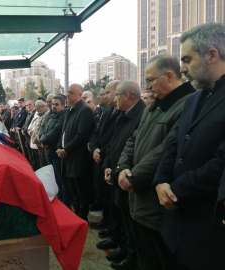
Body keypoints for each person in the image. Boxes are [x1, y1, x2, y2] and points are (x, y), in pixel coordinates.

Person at [153, 23, 225, 270]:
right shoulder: (194, 99)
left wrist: (174, 188)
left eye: (187, 59)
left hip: (209, 229)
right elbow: (173, 143)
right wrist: (160, 181)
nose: (182, 69)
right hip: (175, 225)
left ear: (212, 55)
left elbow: (221, 163)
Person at [116, 54, 194, 270]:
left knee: (159, 261)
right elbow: (134, 139)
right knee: (144, 258)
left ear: (169, 75)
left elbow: (166, 150)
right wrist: (122, 168)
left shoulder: (187, 105)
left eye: (150, 80)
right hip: (138, 199)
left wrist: (133, 177)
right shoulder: (153, 107)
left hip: (155, 203)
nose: (147, 86)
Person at [103, 81, 146, 270]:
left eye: (117, 94)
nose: (114, 98)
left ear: (127, 95)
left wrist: (120, 170)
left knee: (130, 221)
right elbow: (114, 142)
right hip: (116, 172)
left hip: (128, 176)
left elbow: (136, 149)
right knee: (121, 215)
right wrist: (107, 166)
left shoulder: (142, 115)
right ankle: (124, 247)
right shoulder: (123, 114)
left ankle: (132, 256)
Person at [57, 83, 96, 221]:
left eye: (71, 92)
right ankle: (77, 214)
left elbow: (81, 135)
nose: (67, 94)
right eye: (67, 92)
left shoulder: (84, 110)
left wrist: (66, 150)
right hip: (68, 157)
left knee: (81, 191)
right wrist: (60, 147)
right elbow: (64, 132)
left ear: (80, 95)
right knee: (74, 191)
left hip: (78, 158)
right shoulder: (70, 110)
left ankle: (82, 217)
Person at [89, 81, 122, 234]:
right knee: (102, 191)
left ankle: (112, 226)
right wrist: (94, 148)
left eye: (108, 92)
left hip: (108, 159)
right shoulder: (107, 111)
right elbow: (97, 132)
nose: (106, 96)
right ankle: (106, 219)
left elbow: (115, 139)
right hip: (100, 157)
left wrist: (100, 152)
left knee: (111, 197)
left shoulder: (120, 111)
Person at [40, 95, 70, 207]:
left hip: (57, 153)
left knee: (62, 179)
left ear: (63, 105)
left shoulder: (63, 116)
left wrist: (43, 140)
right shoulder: (51, 116)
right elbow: (44, 129)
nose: (53, 106)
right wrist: (43, 139)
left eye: (56, 104)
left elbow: (56, 131)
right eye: (53, 104)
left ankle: (65, 202)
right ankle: (59, 198)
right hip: (49, 152)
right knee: (55, 179)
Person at [21, 100, 38, 170]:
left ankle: (34, 167)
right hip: (27, 136)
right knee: (29, 153)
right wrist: (22, 129)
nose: (28, 106)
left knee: (33, 154)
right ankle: (31, 165)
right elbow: (25, 124)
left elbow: (29, 125)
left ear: (33, 105)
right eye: (27, 105)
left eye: (30, 104)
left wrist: (25, 130)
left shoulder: (34, 113)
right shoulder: (28, 113)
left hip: (31, 136)